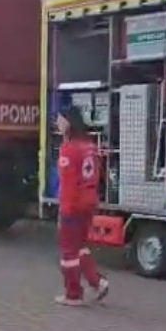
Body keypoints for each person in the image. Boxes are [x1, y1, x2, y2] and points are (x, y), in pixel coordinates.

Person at [54, 106, 109, 306]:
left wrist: (64, 210)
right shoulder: (90, 146)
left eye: (60, 120)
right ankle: (97, 282)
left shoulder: (68, 149)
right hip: (88, 202)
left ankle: (73, 294)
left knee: (68, 252)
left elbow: (68, 183)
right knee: (80, 247)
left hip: (73, 205)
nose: (57, 124)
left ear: (68, 122)